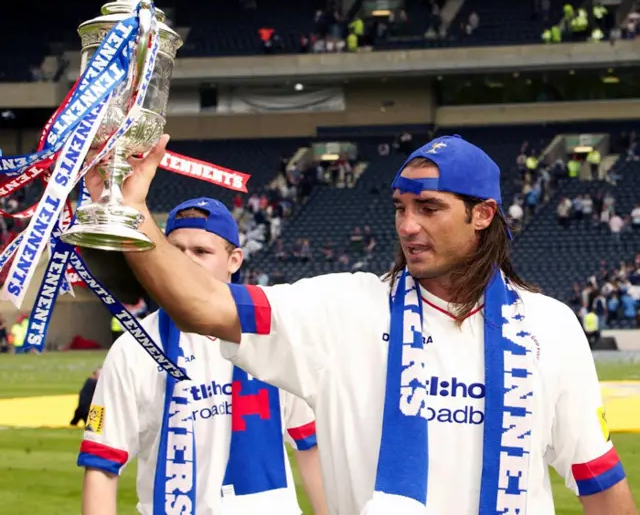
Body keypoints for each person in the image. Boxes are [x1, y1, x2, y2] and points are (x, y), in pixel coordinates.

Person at [85, 135, 636, 515]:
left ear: (483, 215)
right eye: (400, 207)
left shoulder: (551, 327)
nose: (408, 225)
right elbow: (206, 306)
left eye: (429, 207)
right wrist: (133, 211)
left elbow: (598, 478)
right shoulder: (344, 309)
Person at [77, 198, 326, 515]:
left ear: (234, 260)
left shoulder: (274, 334)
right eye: (175, 251)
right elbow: (102, 463)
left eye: (201, 252)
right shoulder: (135, 346)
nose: (184, 263)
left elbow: (311, 446)